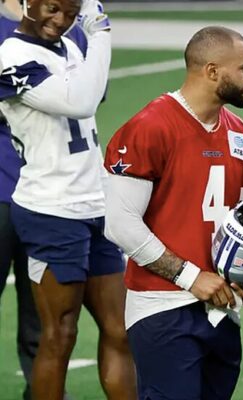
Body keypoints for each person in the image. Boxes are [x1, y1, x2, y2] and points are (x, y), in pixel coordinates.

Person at [103, 26, 243, 400]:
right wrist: (191, 277)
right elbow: (120, 225)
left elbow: (241, 231)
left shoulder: (242, 136)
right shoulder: (149, 127)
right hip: (162, 307)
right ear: (212, 71)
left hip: (222, 309)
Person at [0, 0, 136, 398]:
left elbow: (91, 93)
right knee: (59, 334)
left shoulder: (70, 46)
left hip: (95, 204)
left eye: (71, 12)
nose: (60, 20)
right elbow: (81, 101)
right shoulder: (11, 54)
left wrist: (90, 38)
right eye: (52, 9)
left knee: (120, 328)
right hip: (51, 209)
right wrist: (102, 32)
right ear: (27, 3)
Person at [0, 1, 87, 399]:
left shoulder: (64, 33)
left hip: (51, 200)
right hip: (23, 194)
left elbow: (82, 104)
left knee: (47, 319)